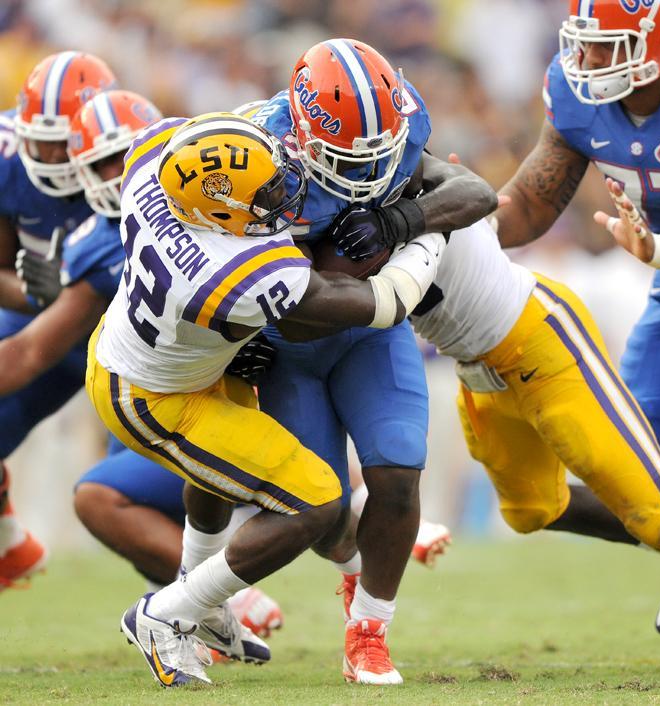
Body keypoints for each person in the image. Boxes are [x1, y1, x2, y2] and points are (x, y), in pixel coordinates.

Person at [85, 110, 445, 687]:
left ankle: (201, 609)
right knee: (316, 502)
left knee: (218, 484)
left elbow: (192, 140)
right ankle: (168, 612)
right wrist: (427, 235)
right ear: (222, 213)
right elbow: (386, 303)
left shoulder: (157, 165)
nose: (286, 191)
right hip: (156, 396)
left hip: (158, 351)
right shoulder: (241, 269)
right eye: (268, 190)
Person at [373, 0, 660, 633]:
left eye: (609, 44)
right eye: (585, 43)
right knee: (636, 475)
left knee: (652, 487)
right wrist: (463, 219)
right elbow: (531, 204)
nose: (589, 60)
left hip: (656, 268)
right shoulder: (578, 96)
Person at [250, 38, 499, 685]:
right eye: (345, 156)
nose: (366, 171)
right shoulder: (254, 156)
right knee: (319, 508)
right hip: (284, 344)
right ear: (302, 133)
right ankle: (336, 566)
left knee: (398, 473)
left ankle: (370, 631)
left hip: (370, 331)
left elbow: (474, 194)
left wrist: (398, 221)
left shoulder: (404, 122)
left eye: (378, 152)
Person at [3, 87, 284, 647]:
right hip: (151, 394)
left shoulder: (215, 199)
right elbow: (33, 346)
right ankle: (205, 607)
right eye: (99, 162)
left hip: (238, 387)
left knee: (312, 485)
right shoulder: (97, 240)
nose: (115, 173)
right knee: (109, 497)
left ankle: (357, 554)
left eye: (123, 154)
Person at [327, 188, 660, 643]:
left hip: (539, 342)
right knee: (533, 509)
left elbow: (470, 191)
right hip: (476, 368)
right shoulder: (335, 214)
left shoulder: (421, 184)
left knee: (653, 507)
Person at [0, 51, 116, 589]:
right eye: (37, 138)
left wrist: (67, 290)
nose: (46, 154)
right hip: (32, 326)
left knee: (138, 484)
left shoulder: (130, 160)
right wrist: (32, 294)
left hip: (119, 339)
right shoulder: (8, 159)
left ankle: (196, 596)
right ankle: (9, 542)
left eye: (58, 141)